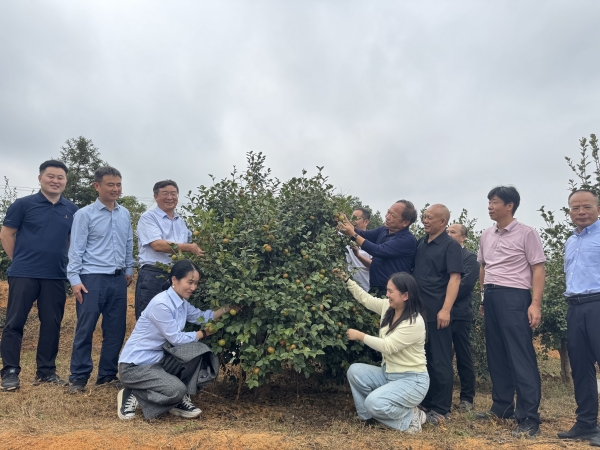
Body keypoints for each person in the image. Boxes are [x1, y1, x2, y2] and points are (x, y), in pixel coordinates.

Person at [117, 260, 229, 420]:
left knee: (198, 351)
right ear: (174, 279)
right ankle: (134, 393)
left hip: (158, 360)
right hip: (135, 366)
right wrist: (204, 333)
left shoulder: (181, 303)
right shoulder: (161, 304)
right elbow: (176, 339)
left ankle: (176, 401)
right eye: (190, 282)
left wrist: (227, 309)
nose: (193, 287)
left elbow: (203, 316)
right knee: (177, 390)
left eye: (196, 283)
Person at [0, 160, 77, 391]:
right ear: (40, 178)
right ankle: (10, 372)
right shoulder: (23, 204)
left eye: (60, 177)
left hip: (55, 275)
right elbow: (6, 234)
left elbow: (72, 242)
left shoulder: (72, 210)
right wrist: (19, 260)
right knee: (14, 323)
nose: (55, 181)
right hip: (24, 274)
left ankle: (46, 372)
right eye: (50, 176)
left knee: (52, 324)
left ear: (65, 181)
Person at [476, 186, 545, 438]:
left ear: (510, 205)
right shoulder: (486, 234)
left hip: (515, 296)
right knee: (497, 353)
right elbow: (484, 267)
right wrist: (483, 298)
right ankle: (502, 407)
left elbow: (538, 268)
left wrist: (535, 303)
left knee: (520, 355)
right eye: (489, 202)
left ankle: (529, 417)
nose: (490, 206)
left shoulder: (527, 233)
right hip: (492, 296)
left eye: (495, 202)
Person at [67, 166, 134, 393]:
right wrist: (74, 279)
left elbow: (128, 243)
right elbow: (76, 249)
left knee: (115, 329)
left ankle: (107, 375)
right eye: (110, 184)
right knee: (85, 328)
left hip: (118, 279)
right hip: (91, 279)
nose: (115, 189)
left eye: (118, 184)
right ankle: (79, 376)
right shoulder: (84, 214)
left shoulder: (124, 214)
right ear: (97, 186)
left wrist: (129, 269)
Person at [342, 271, 429, 433]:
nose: (387, 294)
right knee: (354, 371)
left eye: (390, 291)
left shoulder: (414, 322)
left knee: (373, 402)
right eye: (387, 290)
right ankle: (368, 417)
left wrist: (360, 336)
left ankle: (412, 416)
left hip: (412, 380)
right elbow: (366, 299)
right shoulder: (387, 307)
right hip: (388, 374)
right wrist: (347, 280)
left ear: (405, 295)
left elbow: (388, 346)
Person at [412, 204, 463, 424]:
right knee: (423, 358)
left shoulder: (450, 246)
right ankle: (426, 401)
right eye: (424, 217)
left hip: (438, 312)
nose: (425, 220)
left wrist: (446, 309)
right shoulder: (421, 243)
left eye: (430, 218)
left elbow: (455, 279)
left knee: (441, 360)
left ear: (442, 222)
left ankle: (442, 409)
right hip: (419, 312)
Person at [557, 189, 600, 444]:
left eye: (587, 207)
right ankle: (586, 423)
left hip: (598, 304)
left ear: (598, 209)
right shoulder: (571, 241)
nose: (581, 212)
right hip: (575, 307)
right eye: (575, 208)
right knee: (581, 367)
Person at [135, 180, 204, 319]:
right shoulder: (149, 218)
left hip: (177, 276)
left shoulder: (180, 222)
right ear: (156, 196)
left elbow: (191, 242)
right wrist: (189, 248)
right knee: (150, 319)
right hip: (154, 275)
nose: (170, 197)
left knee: (174, 317)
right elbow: (157, 245)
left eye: (173, 194)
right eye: (165, 194)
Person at [337, 200, 418, 295]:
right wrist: (345, 222)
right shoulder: (383, 230)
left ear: (405, 222)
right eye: (388, 212)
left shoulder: (407, 240)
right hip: (375, 288)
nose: (387, 216)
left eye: (393, 215)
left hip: (393, 292)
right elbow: (361, 234)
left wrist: (352, 234)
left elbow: (378, 250)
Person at [446, 223, 479, 411]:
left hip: (459, 313)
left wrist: (443, 298)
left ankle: (467, 398)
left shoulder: (470, 258)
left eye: (453, 232)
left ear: (463, 237)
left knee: (462, 355)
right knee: (442, 356)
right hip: (440, 312)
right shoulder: (443, 256)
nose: (449, 234)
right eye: (447, 232)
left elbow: (464, 285)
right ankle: (442, 396)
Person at [345, 208, 372, 291]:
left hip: (365, 289)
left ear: (366, 222)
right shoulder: (345, 237)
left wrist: (358, 255)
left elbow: (373, 265)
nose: (352, 221)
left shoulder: (372, 241)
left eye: (356, 219)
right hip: (347, 287)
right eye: (351, 218)